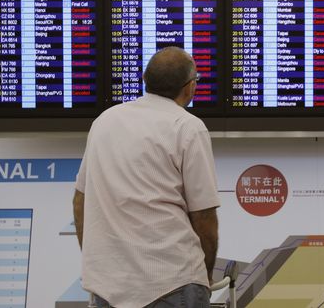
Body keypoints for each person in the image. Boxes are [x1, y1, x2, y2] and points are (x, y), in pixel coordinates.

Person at [73, 46, 220, 308]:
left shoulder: (105, 121)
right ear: (189, 87)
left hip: (109, 288)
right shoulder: (187, 127)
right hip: (173, 283)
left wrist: (101, 263)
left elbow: (80, 201)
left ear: (144, 79)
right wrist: (204, 276)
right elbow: (204, 216)